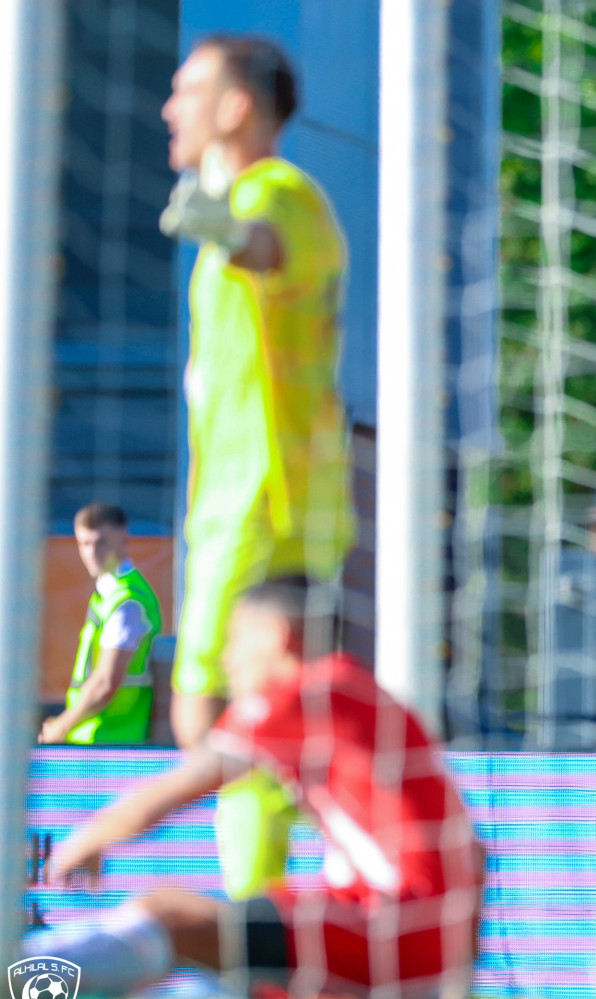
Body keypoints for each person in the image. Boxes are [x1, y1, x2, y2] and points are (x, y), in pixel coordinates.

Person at [30, 576, 484, 999]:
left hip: (390, 932)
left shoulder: (305, 690)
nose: (228, 658)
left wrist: (86, 838)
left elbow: (179, 787)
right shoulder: (365, 696)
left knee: (170, 915)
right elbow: (473, 852)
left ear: (278, 635)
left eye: (236, 640)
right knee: (209, 947)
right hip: (419, 937)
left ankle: (24, 979)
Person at [159, 35, 356, 899]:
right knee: (245, 719)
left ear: (235, 107)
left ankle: (273, 901)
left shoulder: (279, 192)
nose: (171, 108)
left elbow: (264, 247)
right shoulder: (235, 200)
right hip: (234, 504)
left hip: (272, 505)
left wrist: (223, 223)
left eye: (187, 89)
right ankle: (278, 897)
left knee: (214, 710)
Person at [40, 503, 163, 746]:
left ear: (124, 541)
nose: (92, 552)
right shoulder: (110, 595)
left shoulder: (127, 601)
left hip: (111, 745)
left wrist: (59, 729)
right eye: (84, 544)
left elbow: (105, 683)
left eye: (102, 542)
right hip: (98, 741)